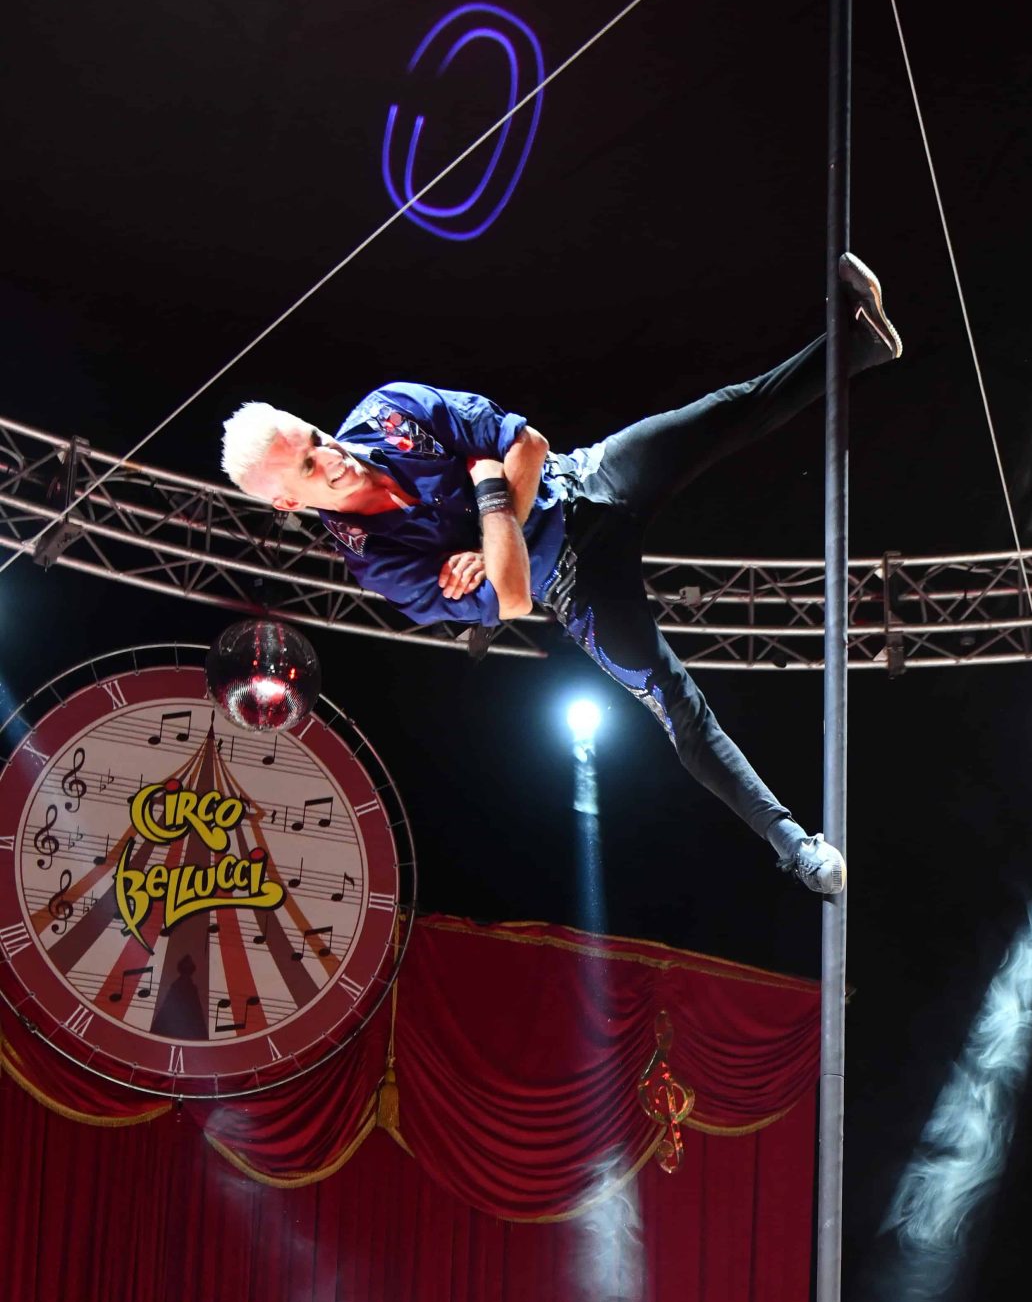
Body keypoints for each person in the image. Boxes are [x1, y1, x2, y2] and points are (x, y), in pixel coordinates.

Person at [218, 255, 905, 897]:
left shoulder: (389, 410)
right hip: (575, 587)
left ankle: (861, 345)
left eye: (315, 437)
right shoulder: (379, 563)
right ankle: (795, 846)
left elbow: (530, 445)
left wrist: (495, 531)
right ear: (289, 503)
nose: (332, 456)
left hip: (587, 479)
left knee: (723, 412)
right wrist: (488, 485)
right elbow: (514, 597)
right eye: (309, 468)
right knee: (676, 706)